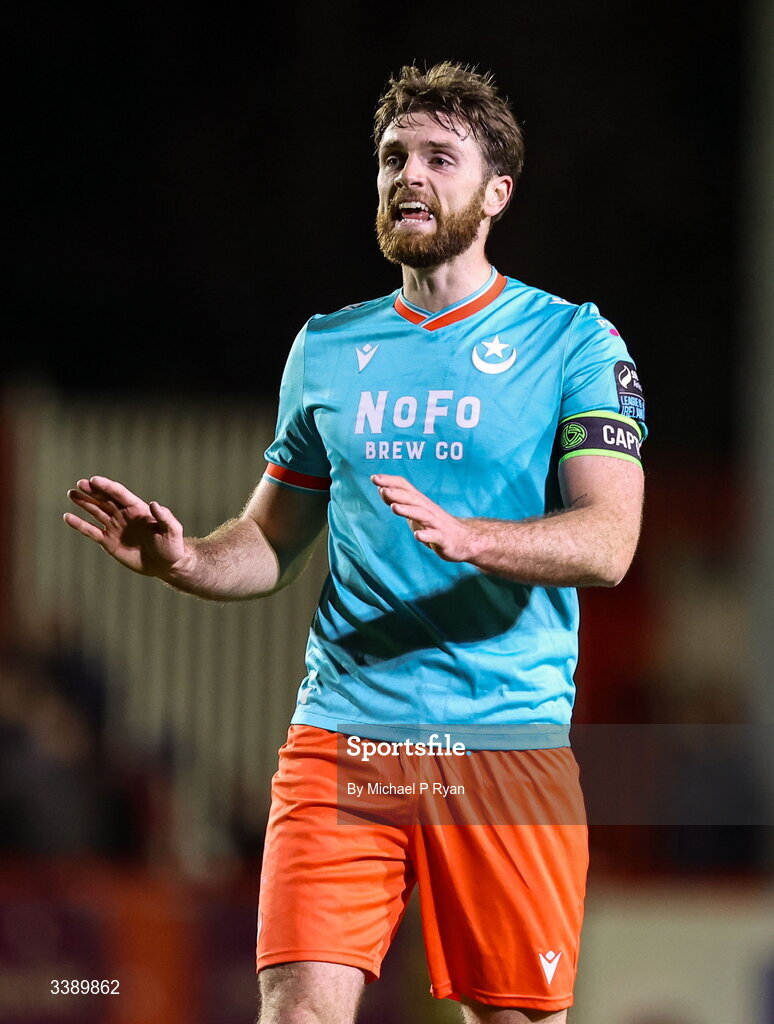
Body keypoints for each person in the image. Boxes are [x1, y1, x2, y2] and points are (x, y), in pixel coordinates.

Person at [64, 63, 646, 1024]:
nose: (407, 176)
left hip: (503, 740)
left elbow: (610, 540)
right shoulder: (327, 347)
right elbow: (267, 541)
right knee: (296, 1012)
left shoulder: (574, 342)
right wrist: (186, 560)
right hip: (344, 736)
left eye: (437, 158)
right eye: (391, 158)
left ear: (497, 193)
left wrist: (473, 537)